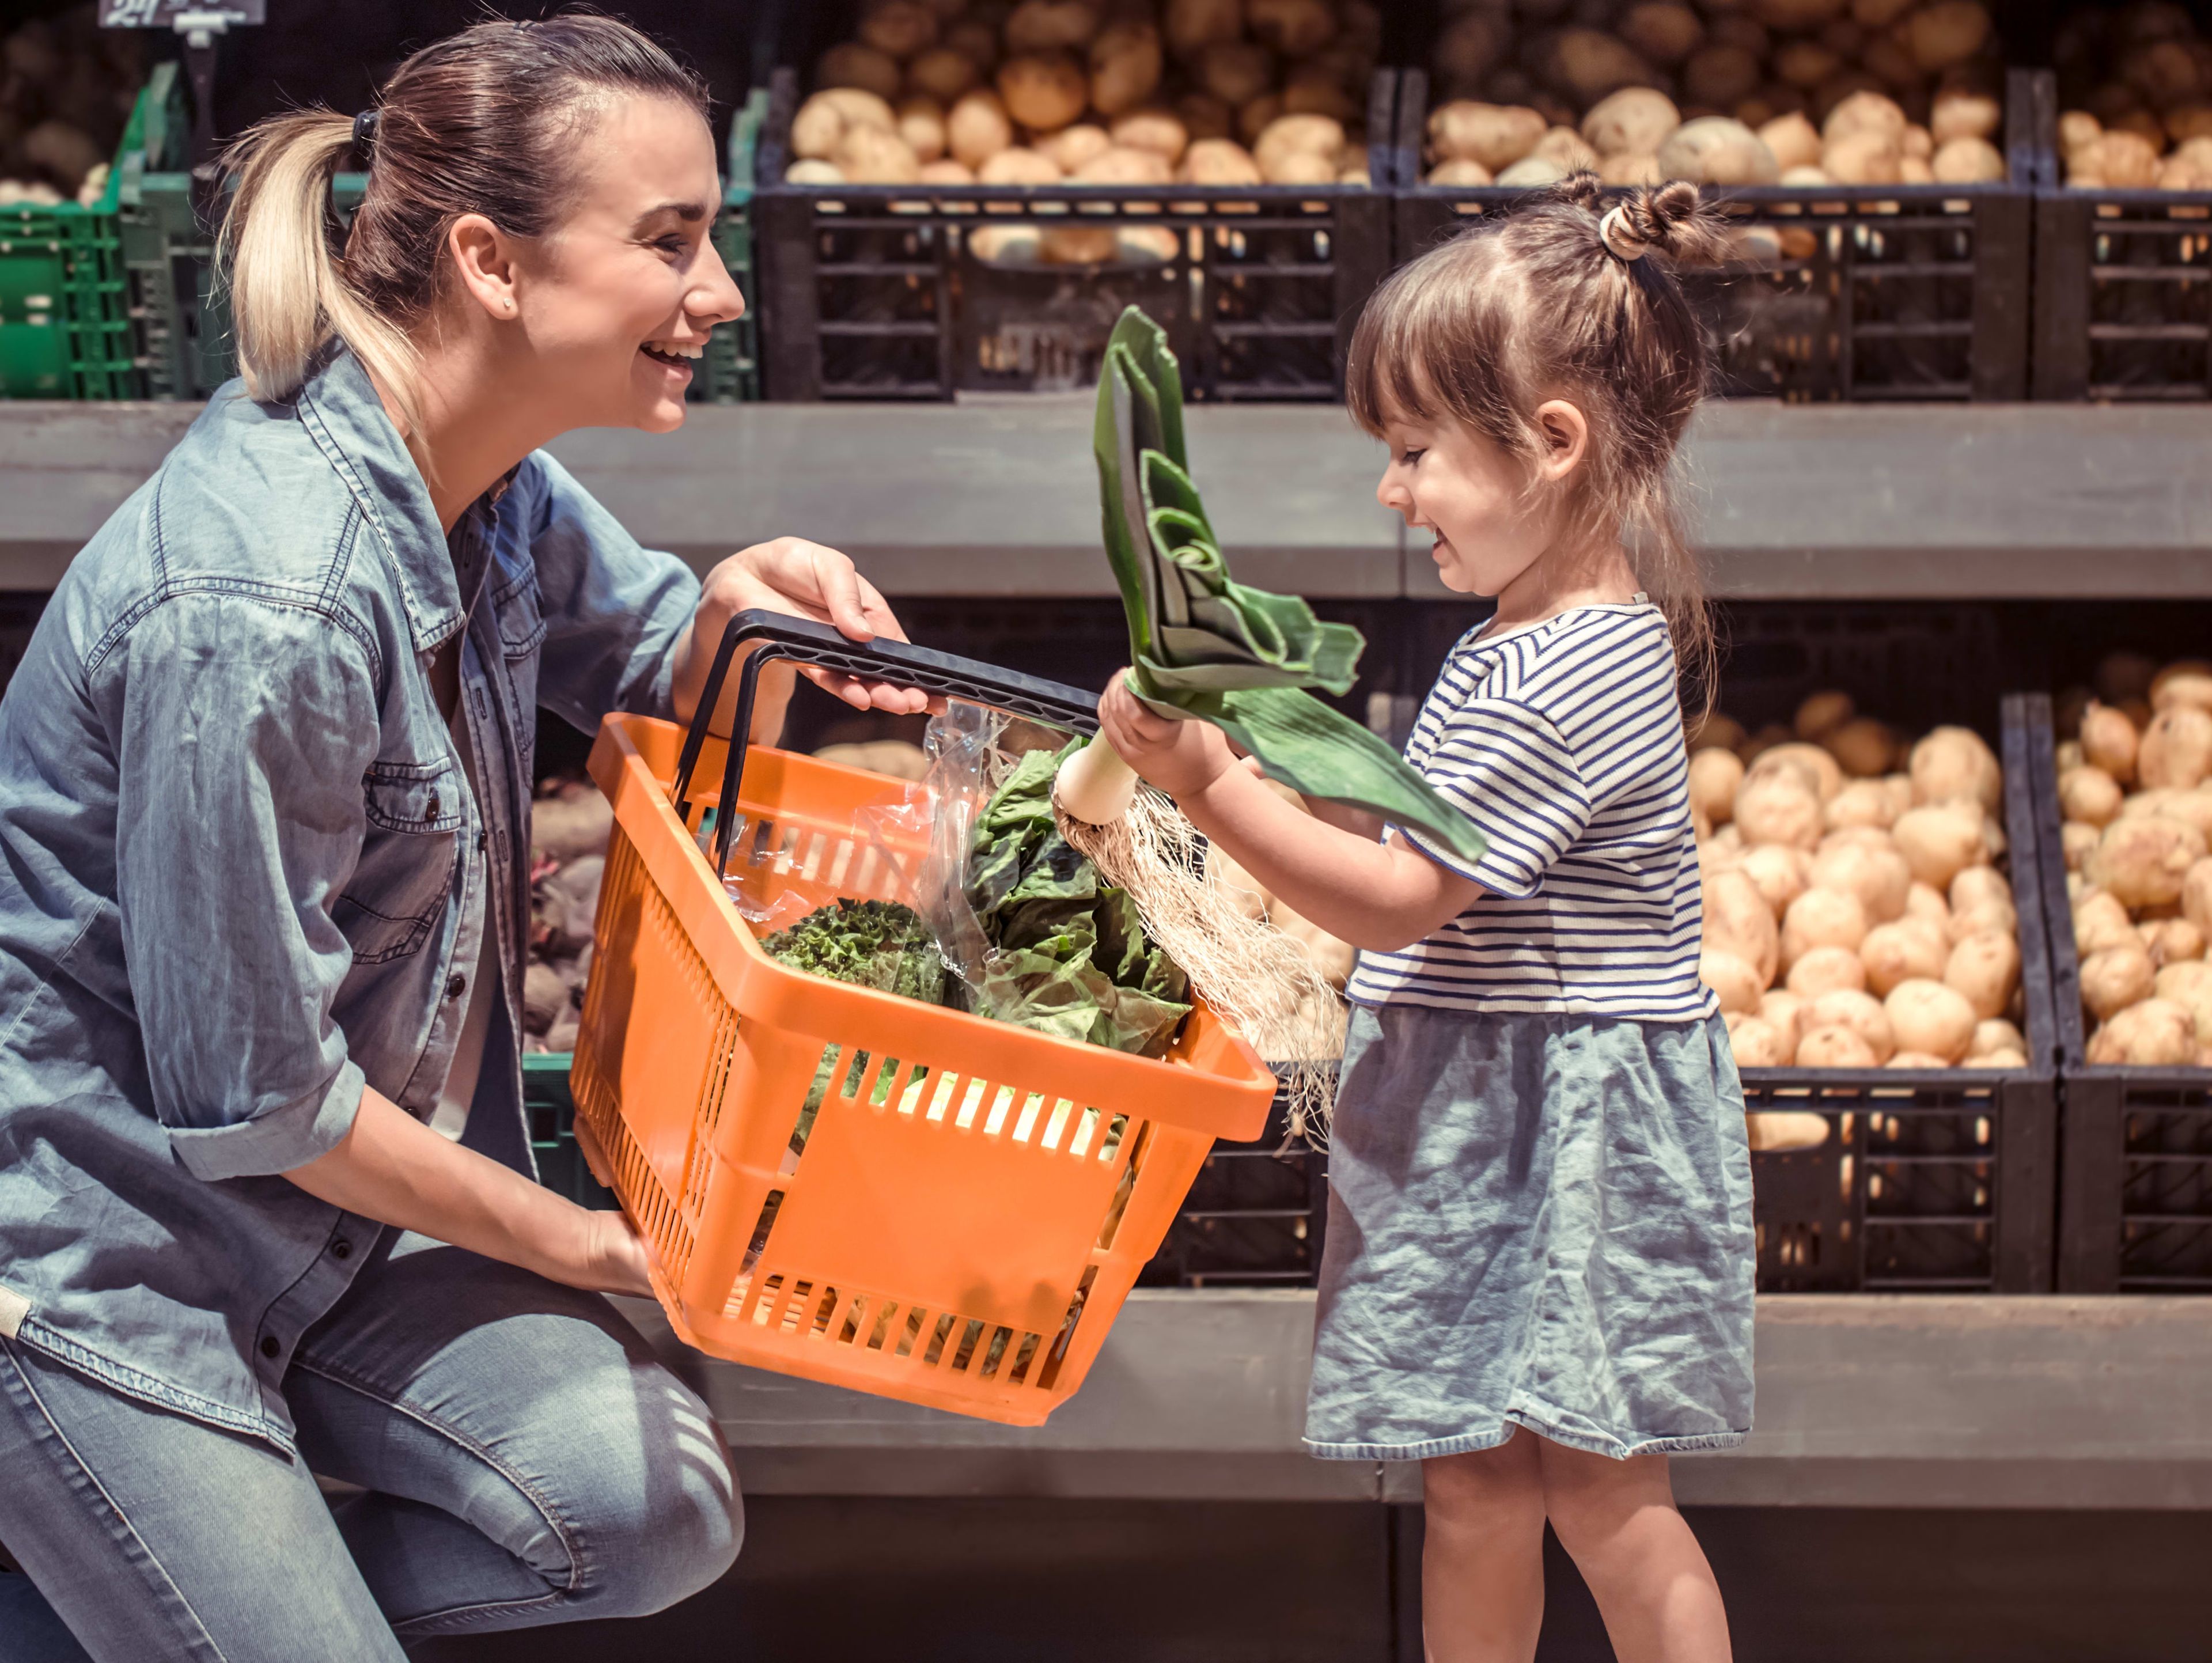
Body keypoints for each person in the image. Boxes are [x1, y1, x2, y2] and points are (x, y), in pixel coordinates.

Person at [0, 17, 927, 1660]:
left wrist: (742, 611)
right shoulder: (264, 604)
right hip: (98, 1255)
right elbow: (260, 1101)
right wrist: (589, 1245)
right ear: (493, 265)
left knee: (644, 1508)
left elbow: (662, 670)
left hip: (327, 1237)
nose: (715, 293)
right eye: (670, 242)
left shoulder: (484, 481)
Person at [1096, 176, 1756, 1663]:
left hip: (1565, 1121)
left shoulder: (1572, 669)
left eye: (1414, 454)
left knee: (1601, 1487)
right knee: (1472, 1481)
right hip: (1482, 1092)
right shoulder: (1516, 641)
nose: (1394, 492)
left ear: (1554, 443)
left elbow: (1401, 891)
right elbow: (1395, 824)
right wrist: (1265, 755)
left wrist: (1208, 785)